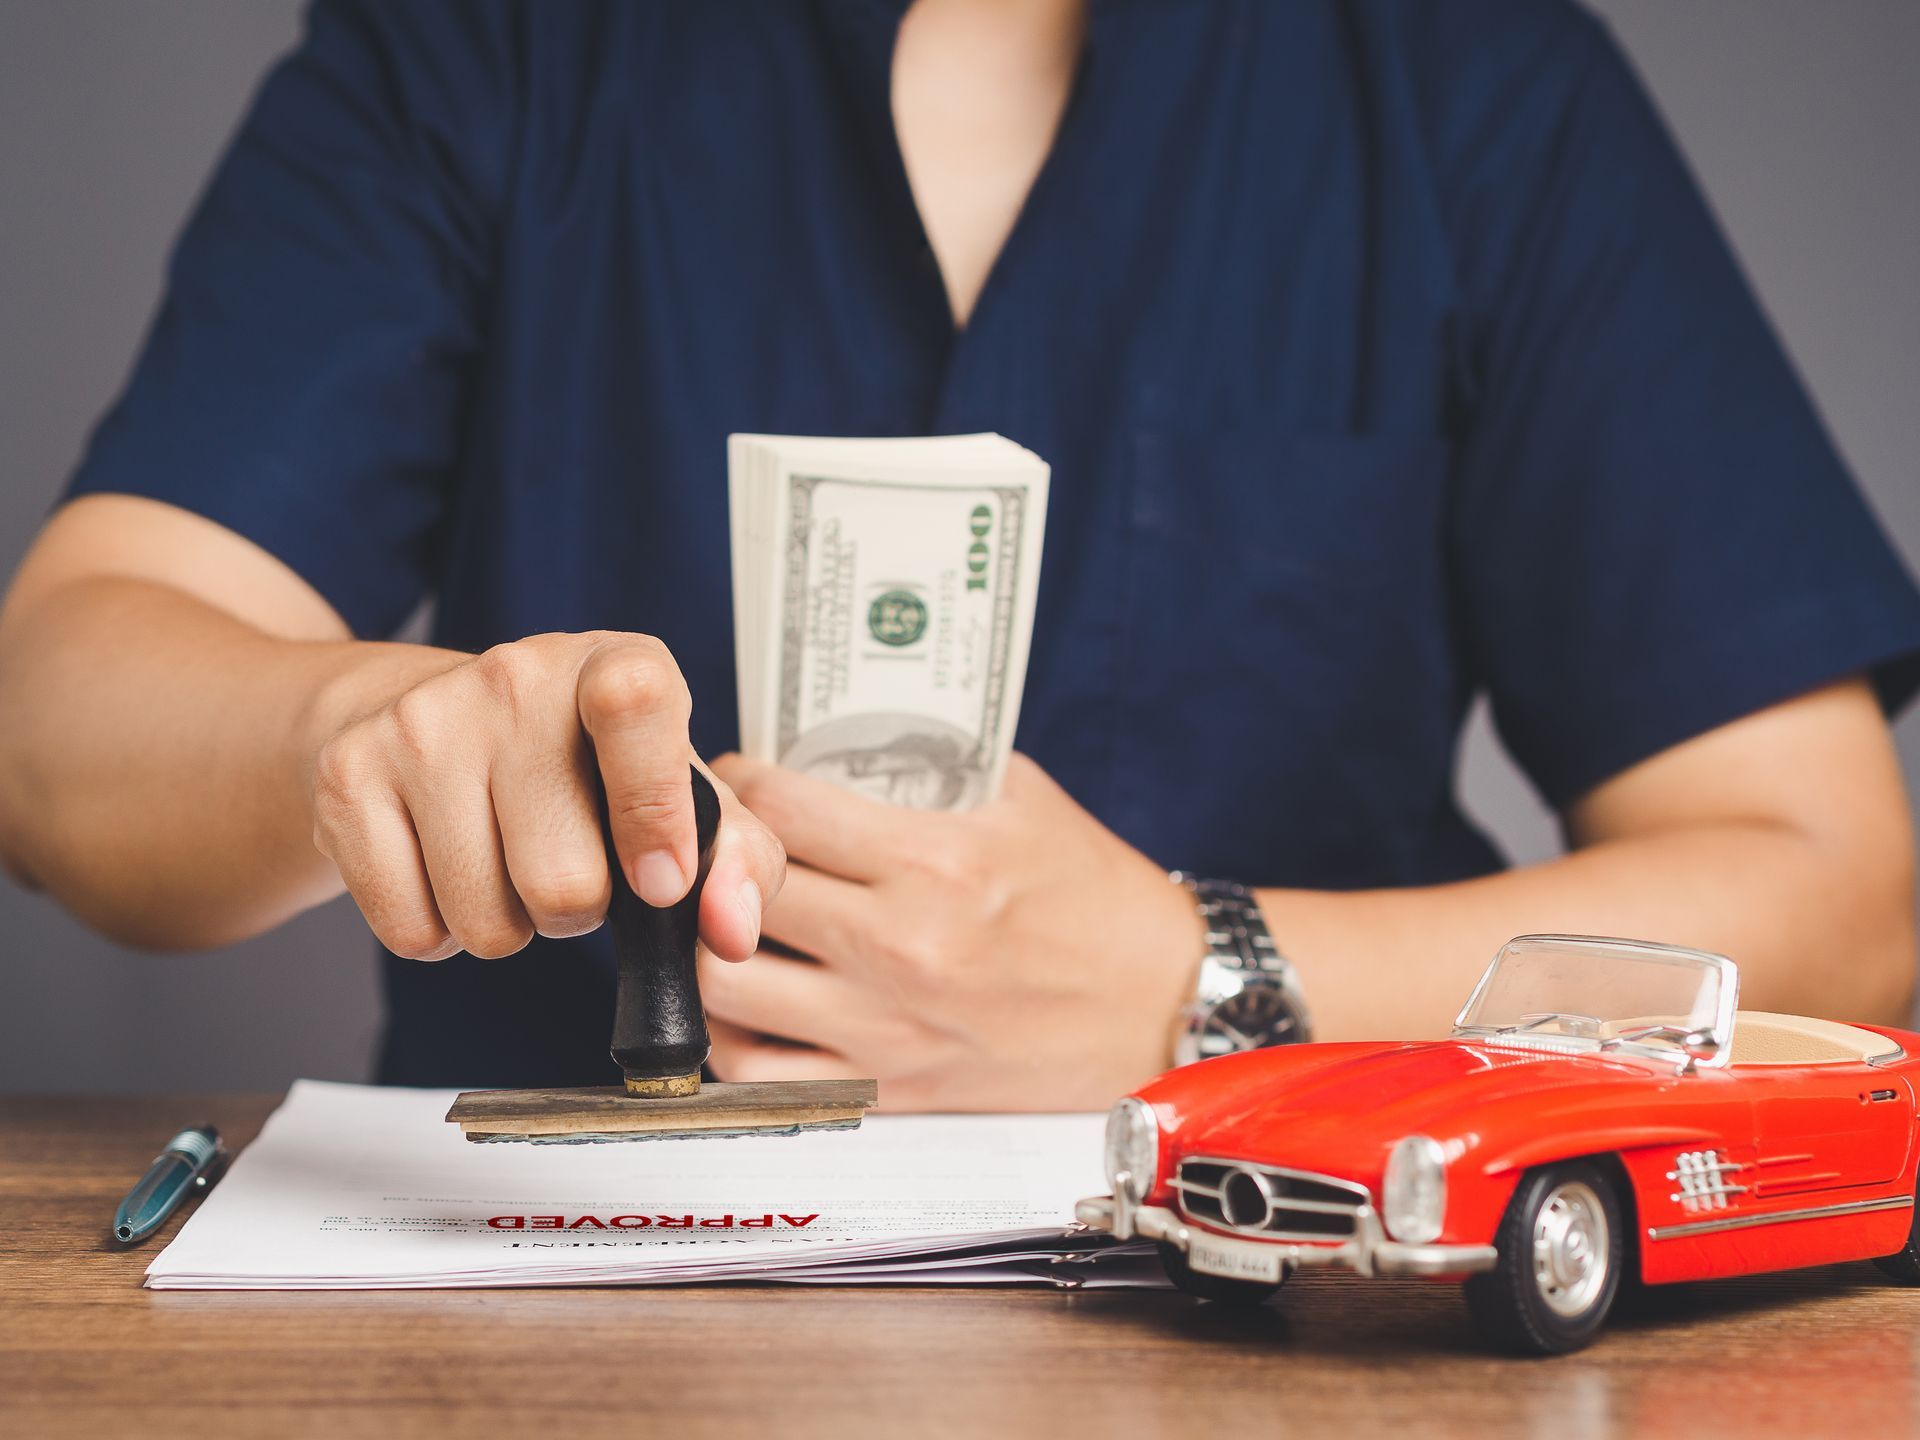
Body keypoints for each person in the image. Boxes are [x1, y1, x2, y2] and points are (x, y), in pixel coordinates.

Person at [1, 0, 1916, 1109]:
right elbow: (63, 721)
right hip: (576, 1351)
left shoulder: (1473, 81)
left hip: (1288, 1325)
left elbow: (1841, 892)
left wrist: (1204, 979)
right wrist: (386, 723)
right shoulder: (485, 46)